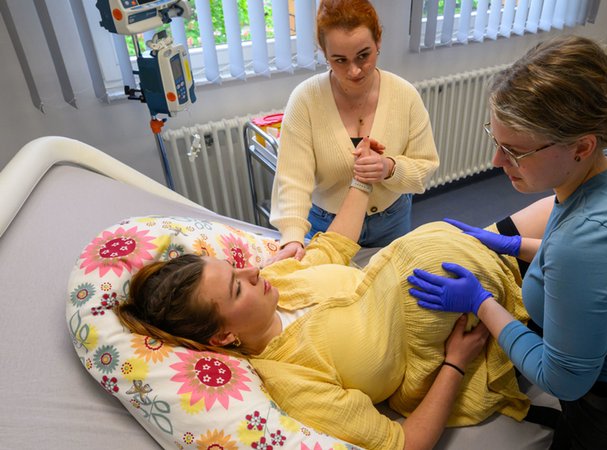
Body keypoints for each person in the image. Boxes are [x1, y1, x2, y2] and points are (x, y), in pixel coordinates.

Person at [115, 139, 528, 450]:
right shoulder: (290, 380)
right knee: (575, 252)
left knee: (566, 211)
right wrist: (455, 364)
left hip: (478, 265)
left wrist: (361, 180)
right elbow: (401, 443)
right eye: (236, 285)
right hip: (470, 329)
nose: (252, 270)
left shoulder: (281, 281)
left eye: (236, 267)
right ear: (224, 337)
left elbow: (334, 245)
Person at [408, 35, 607, 449]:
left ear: (581, 146)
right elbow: (593, 258)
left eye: (513, 150)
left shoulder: (586, 245)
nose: (497, 162)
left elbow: (561, 378)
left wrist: (481, 303)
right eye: (495, 142)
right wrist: (515, 246)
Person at [269, 0, 439, 262]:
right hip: (326, 225)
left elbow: (424, 169)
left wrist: (389, 168)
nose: (354, 70)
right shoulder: (305, 100)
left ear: (378, 41)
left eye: (364, 55)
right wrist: (292, 236)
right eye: (340, 60)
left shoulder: (405, 96)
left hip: (391, 221)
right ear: (324, 53)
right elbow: (292, 180)